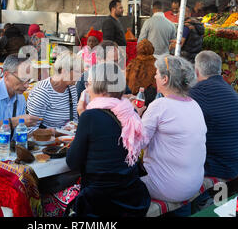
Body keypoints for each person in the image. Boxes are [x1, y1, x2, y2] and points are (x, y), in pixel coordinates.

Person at [67, 62, 150, 217]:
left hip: (100, 203)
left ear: (99, 86)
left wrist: (81, 114)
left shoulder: (90, 116)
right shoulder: (129, 111)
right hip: (133, 198)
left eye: (89, 83)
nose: (86, 88)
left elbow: (72, 162)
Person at [138, 55, 207, 203]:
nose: (154, 76)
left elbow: (137, 144)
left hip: (168, 187)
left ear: (165, 79)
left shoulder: (160, 105)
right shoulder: (194, 104)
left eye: (157, 73)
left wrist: (134, 116)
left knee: (115, 188)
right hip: (194, 183)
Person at [189, 51, 238, 180]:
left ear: (197, 71)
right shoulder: (231, 92)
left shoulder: (198, 93)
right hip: (236, 162)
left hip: (216, 167)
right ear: (219, 70)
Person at [27, 51, 82, 131]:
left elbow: (74, 119)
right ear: (64, 71)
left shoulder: (71, 88)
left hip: (66, 138)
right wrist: (57, 132)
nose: (80, 76)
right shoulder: (42, 91)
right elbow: (31, 128)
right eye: (78, 72)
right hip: (46, 139)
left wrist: (73, 127)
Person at [125, 39, 157, 108]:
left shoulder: (132, 64)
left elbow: (126, 82)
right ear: (152, 49)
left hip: (132, 101)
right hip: (148, 102)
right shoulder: (156, 64)